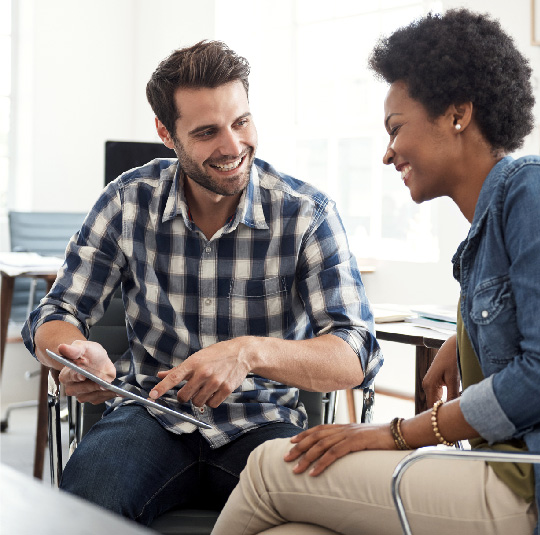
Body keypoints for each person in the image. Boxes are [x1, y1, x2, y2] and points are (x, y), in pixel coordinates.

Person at [213, 10, 540, 535]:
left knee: (270, 468)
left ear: (457, 114)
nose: (386, 153)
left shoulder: (534, 188)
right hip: (517, 475)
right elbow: (529, 319)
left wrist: (398, 433)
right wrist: (464, 332)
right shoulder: (490, 226)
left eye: (396, 128)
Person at [22, 40, 382, 526]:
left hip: (263, 424)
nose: (233, 147)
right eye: (208, 131)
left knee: (312, 522)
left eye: (241, 122)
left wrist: (248, 353)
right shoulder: (129, 200)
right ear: (166, 134)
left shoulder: (307, 214)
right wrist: (74, 352)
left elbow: (354, 352)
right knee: (81, 506)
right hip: (150, 416)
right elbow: (54, 314)